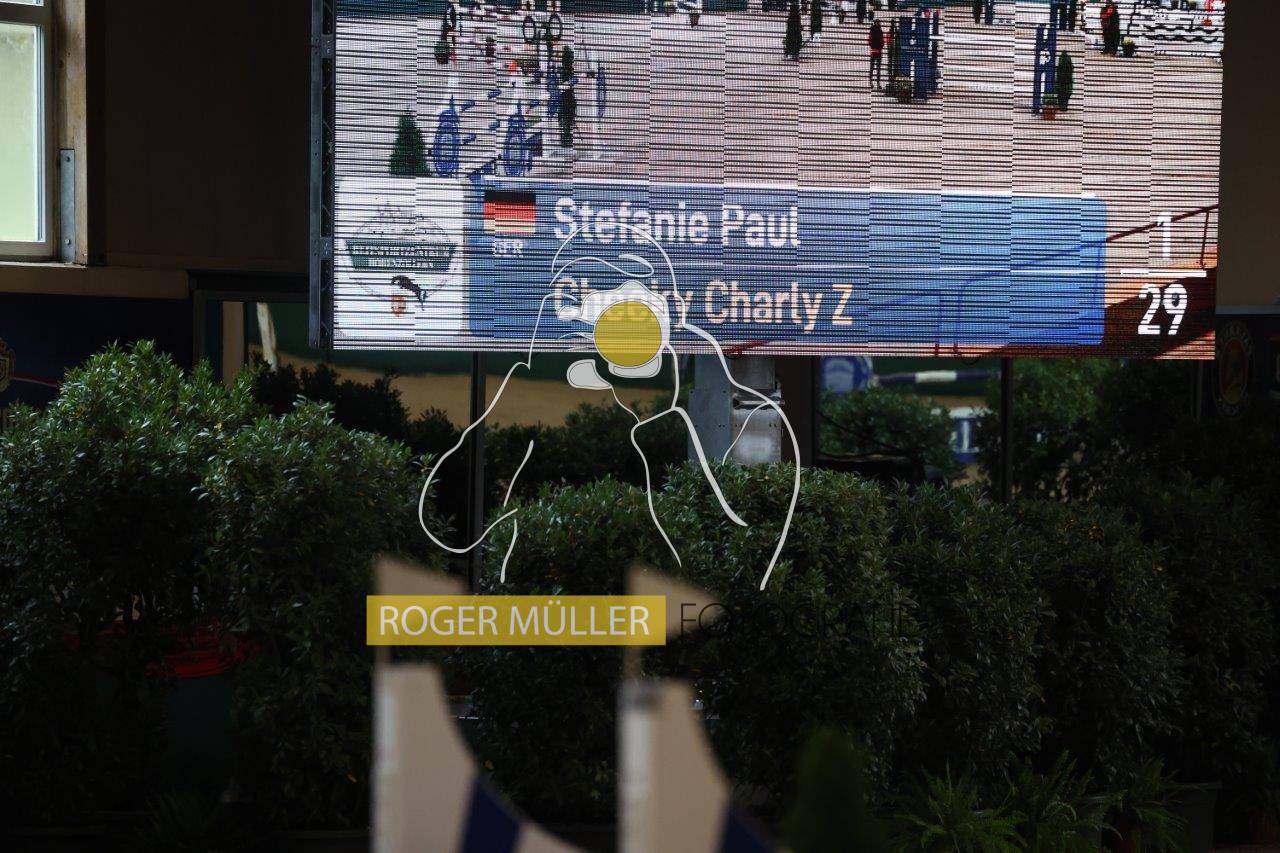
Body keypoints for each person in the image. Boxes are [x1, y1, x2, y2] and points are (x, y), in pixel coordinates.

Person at [868, 17, 884, 89]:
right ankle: (876, 83)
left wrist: (873, 46)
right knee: (877, 68)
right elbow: (882, 41)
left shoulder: (873, 30)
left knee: (873, 68)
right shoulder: (879, 31)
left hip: (874, 51)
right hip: (877, 51)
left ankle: (872, 82)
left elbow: (869, 41)